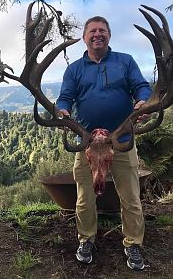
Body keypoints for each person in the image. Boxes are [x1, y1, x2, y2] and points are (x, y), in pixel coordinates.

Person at [56, 16, 152, 271]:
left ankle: (133, 243)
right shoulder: (74, 69)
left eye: (102, 30)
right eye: (92, 31)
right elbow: (65, 97)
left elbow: (142, 87)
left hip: (120, 142)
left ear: (109, 35)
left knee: (131, 198)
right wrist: (62, 111)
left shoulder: (125, 61)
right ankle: (86, 239)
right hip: (87, 145)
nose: (97, 34)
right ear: (85, 37)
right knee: (84, 199)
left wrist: (143, 102)